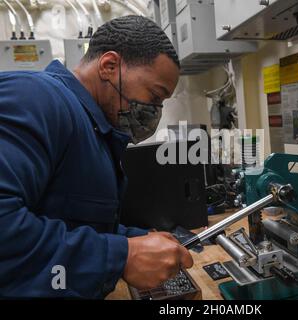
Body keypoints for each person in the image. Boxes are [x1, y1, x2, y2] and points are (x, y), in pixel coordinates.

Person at [0, 15, 193, 298]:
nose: (155, 112)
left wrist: (133, 240)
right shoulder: (35, 97)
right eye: (154, 96)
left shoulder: (94, 130)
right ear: (109, 66)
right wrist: (121, 255)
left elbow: (70, 221)